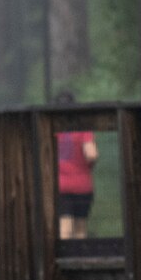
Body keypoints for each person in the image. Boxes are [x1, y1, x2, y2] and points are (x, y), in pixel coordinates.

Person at [55, 92, 98, 240]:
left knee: (65, 228)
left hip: (60, 185)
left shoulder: (52, 129)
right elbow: (91, 154)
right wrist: (88, 166)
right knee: (80, 228)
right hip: (82, 184)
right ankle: (80, 261)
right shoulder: (82, 129)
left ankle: (66, 260)